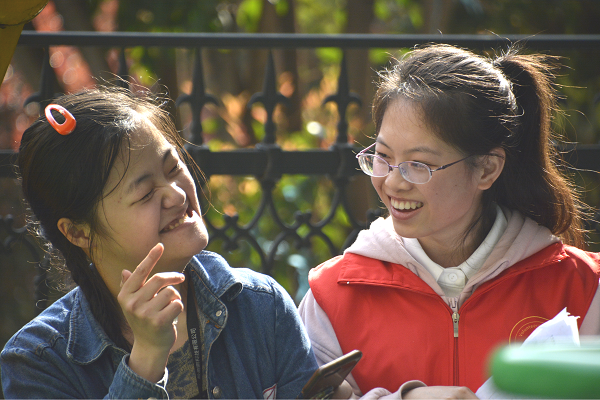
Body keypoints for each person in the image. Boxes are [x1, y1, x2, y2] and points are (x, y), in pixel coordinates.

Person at [299, 44, 600, 399]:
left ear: (487, 169)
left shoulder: (584, 289)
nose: (393, 182)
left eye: (419, 165)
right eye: (382, 156)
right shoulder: (333, 295)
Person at [0, 86, 318, 399]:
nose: (177, 195)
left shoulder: (261, 305)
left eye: (173, 167)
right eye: (146, 193)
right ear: (78, 233)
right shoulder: (38, 362)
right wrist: (145, 364)